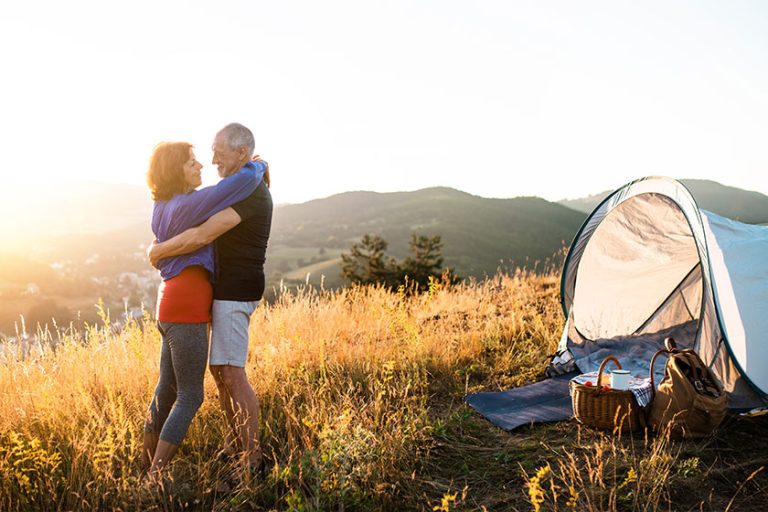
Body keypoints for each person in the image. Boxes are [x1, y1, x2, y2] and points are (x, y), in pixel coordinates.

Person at [148, 123, 273, 474]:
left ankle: (251, 460)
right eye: (209, 150)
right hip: (213, 294)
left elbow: (202, 235)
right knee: (218, 375)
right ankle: (236, 449)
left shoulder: (248, 192)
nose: (212, 157)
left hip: (235, 292)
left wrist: (156, 252)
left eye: (219, 150)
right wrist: (259, 167)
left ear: (241, 154)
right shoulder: (233, 188)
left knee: (230, 374)